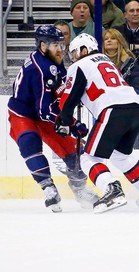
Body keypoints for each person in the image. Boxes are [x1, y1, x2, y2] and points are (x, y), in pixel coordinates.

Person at [55, 33, 139, 213]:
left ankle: (112, 190)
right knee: (120, 156)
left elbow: (68, 100)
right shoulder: (107, 61)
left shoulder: (79, 65)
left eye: (75, 52)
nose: (73, 57)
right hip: (135, 108)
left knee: (88, 157)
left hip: (113, 110)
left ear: (84, 50)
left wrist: (64, 121)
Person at [7, 25, 99, 212]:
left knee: (74, 151)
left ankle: (80, 189)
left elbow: (59, 94)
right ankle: (48, 187)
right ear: (42, 45)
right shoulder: (38, 69)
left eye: (61, 44)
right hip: (23, 114)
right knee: (29, 143)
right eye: (55, 45)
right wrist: (72, 124)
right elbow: (44, 110)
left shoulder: (52, 60)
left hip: (45, 115)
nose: (60, 50)